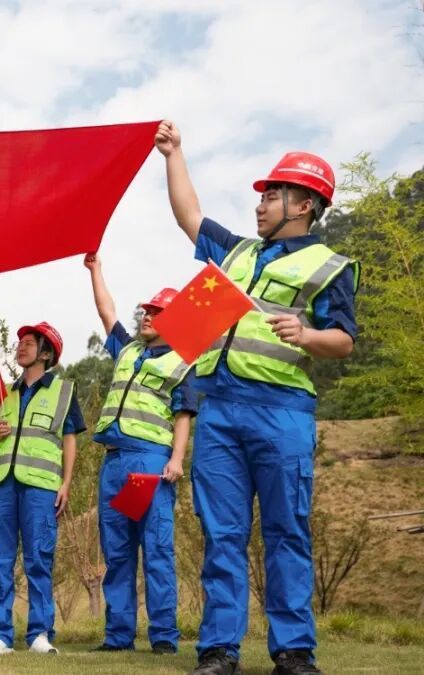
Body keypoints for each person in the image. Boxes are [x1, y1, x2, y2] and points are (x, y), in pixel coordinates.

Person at [156, 120, 359, 675]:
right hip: (219, 410)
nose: (260, 204)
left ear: (304, 204)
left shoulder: (328, 267)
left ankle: (293, 652)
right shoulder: (238, 253)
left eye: (272, 195)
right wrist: (174, 154)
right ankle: (219, 650)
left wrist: (308, 335)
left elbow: (343, 340)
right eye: (263, 195)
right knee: (222, 534)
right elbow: (189, 216)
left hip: (282, 413)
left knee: (286, 531)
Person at [84, 253, 198, 655]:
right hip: (115, 462)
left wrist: (176, 458)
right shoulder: (128, 351)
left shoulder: (181, 361)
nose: (147, 316)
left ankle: (163, 636)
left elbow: (183, 414)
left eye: (157, 312)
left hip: (148, 461)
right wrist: (96, 270)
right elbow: (107, 313)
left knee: (155, 549)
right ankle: (118, 637)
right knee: (118, 551)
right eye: (147, 310)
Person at [0, 322, 83, 656]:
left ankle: (39, 634)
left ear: (46, 353)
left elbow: (70, 440)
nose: (20, 347)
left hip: (41, 486)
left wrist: (66, 483)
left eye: (29, 342)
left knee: (39, 556)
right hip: (1, 485)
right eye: (19, 342)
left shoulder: (64, 391)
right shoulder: (2, 394)